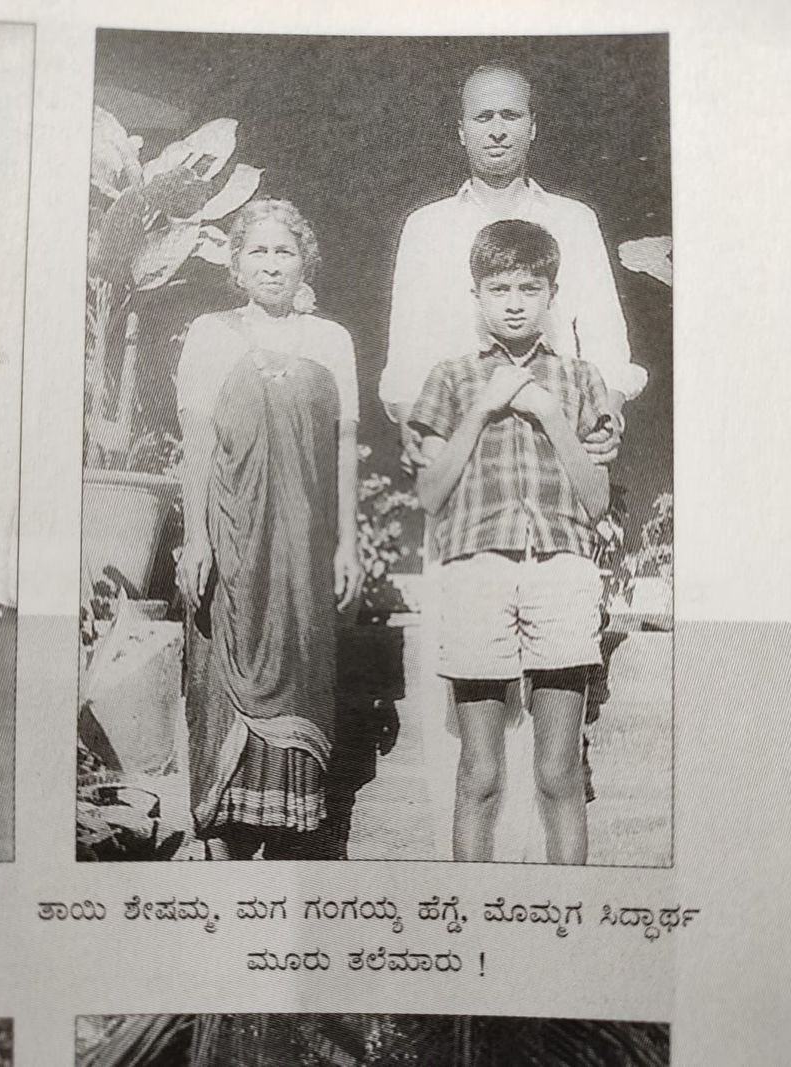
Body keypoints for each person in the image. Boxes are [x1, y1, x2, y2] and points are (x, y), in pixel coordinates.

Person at [410, 220, 610, 864]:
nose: (516, 301)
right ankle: (473, 926)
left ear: (553, 293)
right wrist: (484, 409)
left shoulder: (580, 379)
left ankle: (569, 929)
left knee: (559, 774)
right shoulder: (451, 379)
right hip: (477, 570)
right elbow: (431, 493)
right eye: (499, 288)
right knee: (480, 773)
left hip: (561, 570)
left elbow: (598, 498)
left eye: (531, 286)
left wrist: (551, 416)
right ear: (477, 295)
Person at [176, 197, 363, 860]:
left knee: (302, 676)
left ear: (304, 260)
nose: (272, 263)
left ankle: (286, 837)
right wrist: (197, 537)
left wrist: (349, 542)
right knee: (217, 687)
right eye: (258, 250)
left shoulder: (332, 341)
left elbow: (344, 451)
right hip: (231, 546)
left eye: (284, 250)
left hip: (304, 556)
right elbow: (197, 444)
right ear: (236, 264)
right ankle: (223, 847)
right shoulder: (210, 334)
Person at [380, 60, 647, 469]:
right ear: (462, 131)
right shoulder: (426, 227)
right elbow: (406, 352)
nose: (498, 130)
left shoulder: (574, 220)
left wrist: (606, 418)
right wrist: (413, 427)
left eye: (511, 115)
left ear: (533, 127)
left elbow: (606, 339)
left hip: (559, 441)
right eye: (483, 117)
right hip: (457, 441)